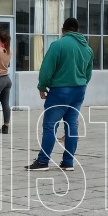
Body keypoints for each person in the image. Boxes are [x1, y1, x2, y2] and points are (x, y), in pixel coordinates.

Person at [27, 17, 93, 171]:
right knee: (72, 125)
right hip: (79, 90)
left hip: (60, 91)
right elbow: (88, 74)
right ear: (77, 30)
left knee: (50, 125)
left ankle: (43, 161)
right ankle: (68, 162)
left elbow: (46, 69)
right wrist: (79, 84)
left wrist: (42, 86)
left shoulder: (58, 45)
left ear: (63, 30)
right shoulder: (87, 49)